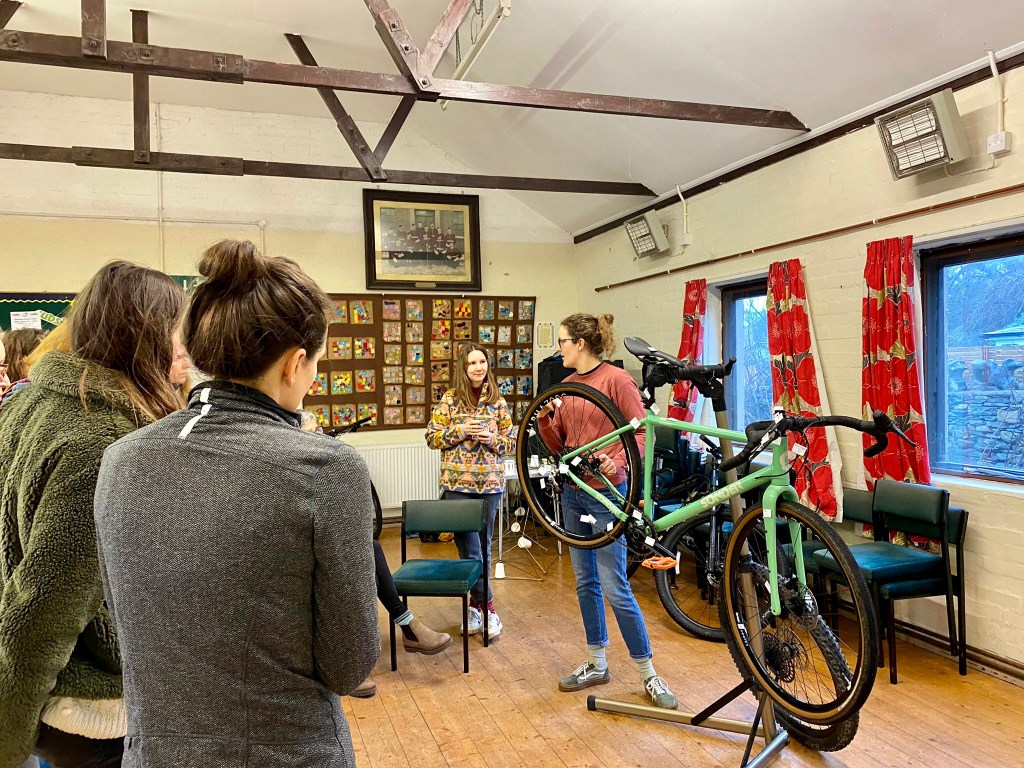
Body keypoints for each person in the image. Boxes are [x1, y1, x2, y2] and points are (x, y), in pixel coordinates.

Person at [93, 239, 379, 767]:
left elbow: (129, 620)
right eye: (316, 364)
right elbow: (349, 663)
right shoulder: (326, 469)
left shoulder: (120, 461)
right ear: (295, 364)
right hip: (287, 751)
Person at [0, 262, 186, 768]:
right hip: (90, 710)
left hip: (58, 695)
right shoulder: (99, 441)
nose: (184, 352)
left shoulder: (31, 402)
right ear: (143, 337)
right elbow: (45, 607)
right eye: (177, 334)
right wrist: (9, 737)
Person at [536, 312, 677, 710]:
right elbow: (558, 441)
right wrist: (546, 423)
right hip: (574, 493)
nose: (559, 347)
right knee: (585, 582)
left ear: (580, 344)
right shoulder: (565, 385)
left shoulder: (616, 380)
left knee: (615, 585)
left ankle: (648, 674)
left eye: (563, 340)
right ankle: (597, 662)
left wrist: (618, 460)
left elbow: (641, 431)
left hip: (608, 494)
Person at [297, 410, 453, 700]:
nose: (320, 436)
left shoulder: (324, 467)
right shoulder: (292, 471)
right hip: (301, 549)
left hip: (326, 543)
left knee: (370, 552)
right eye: (312, 431)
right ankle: (398, 631)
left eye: (320, 430)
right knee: (351, 569)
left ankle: (400, 628)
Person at [426, 342, 513, 638]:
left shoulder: (498, 402)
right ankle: (483, 607)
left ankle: (481, 608)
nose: (478, 367)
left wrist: (491, 438)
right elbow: (432, 437)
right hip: (457, 486)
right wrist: (460, 431)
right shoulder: (450, 400)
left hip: (490, 485)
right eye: (472, 363)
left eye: (482, 362)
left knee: (483, 547)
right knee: (469, 549)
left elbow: (508, 444)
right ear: (463, 369)